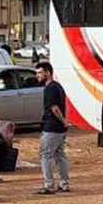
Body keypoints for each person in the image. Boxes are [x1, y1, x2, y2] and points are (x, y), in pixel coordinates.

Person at [34, 61, 71, 195]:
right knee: (60, 155)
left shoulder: (50, 89)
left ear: (47, 73)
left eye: (39, 72)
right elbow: (64, 105)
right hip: (59, 128)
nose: (37, 75)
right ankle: (64, 183)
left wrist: (63, 121)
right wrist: (65, 121)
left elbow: (54, 108)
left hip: (51, 127)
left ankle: (49, 185)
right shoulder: (58, 87)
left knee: (45, 156)